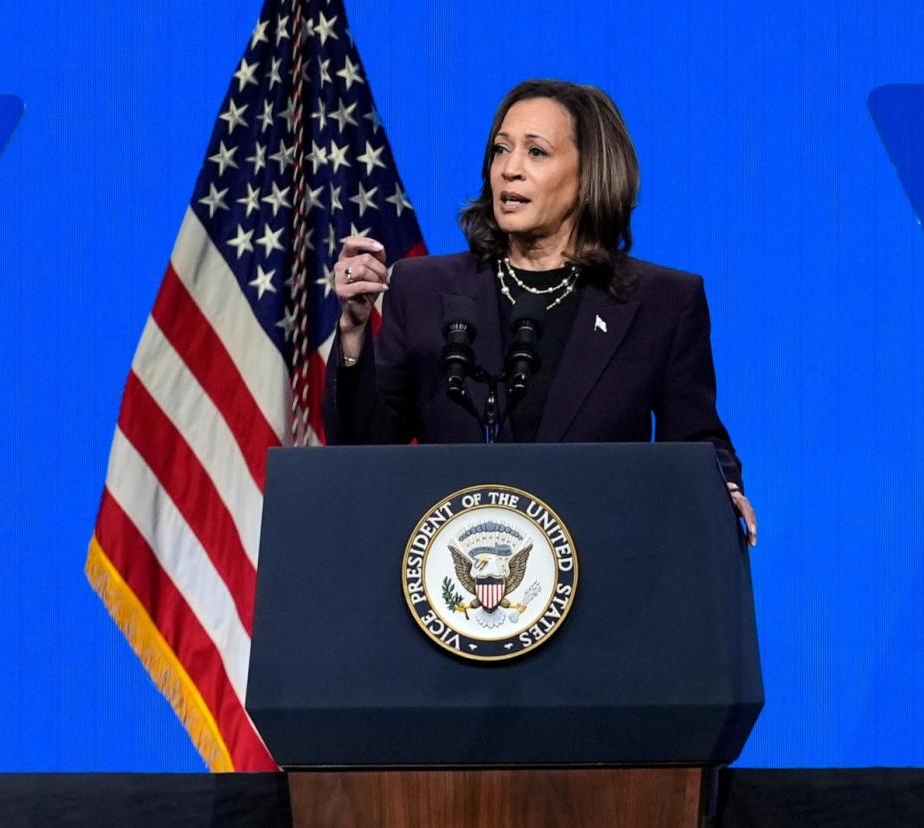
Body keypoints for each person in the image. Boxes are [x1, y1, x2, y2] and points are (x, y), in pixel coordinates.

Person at [324, 79, 757, 545]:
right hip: (455, 571)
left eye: (536, 153)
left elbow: (696, 440)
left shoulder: (662, 301)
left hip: (600, 568)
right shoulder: (424, 288)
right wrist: (353, 331)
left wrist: (722, 490)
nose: (509, 170)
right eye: (500, 150)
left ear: (590, 172)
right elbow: (365, 446)